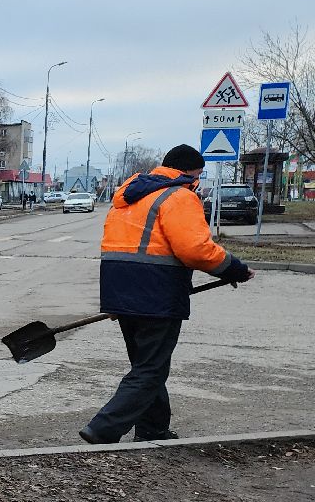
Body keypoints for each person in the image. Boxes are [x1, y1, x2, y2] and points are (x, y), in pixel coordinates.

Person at [79, 144, 253, 445]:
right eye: (197, 177)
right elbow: (195, 249)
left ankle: (153, 429)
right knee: (151, 368)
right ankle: (104, 428)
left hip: (119, 287)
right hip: (156, 292)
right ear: (189, 172)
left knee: (147, 366)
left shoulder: (131, 195)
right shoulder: (179, 196)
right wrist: (233, 269)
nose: (196, 183)